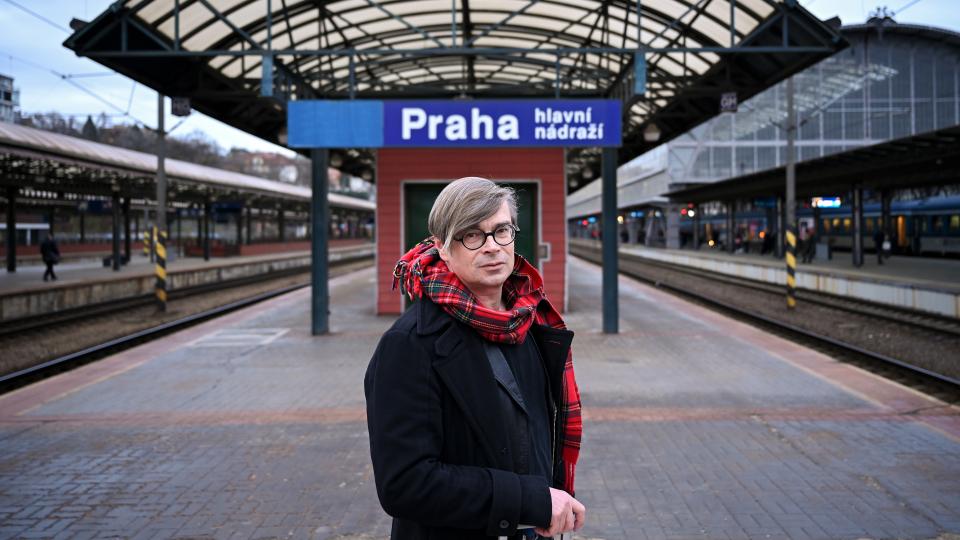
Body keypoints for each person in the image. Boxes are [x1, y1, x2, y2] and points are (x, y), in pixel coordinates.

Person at [365, 177, 585, 540]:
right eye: (472, 235)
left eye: (501, 231)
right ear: (443, 248)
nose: (492, 247)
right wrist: (529, 500)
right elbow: (405, 483)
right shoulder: (409, 345)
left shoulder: (527, 323)